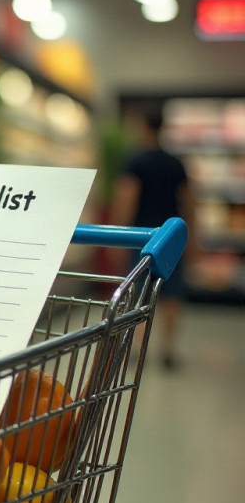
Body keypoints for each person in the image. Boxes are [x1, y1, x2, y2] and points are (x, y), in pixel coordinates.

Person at [109, 108, 197, 369]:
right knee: (171, 295)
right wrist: (191, 239)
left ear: (143, 126)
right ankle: (168, 349)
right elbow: (191, 203)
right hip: (170, 239)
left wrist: (116, 238)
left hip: (142, 240)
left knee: (138, 294)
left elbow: (127, 199)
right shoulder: (175, 163)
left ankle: (137, 348)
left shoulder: (134, 162)